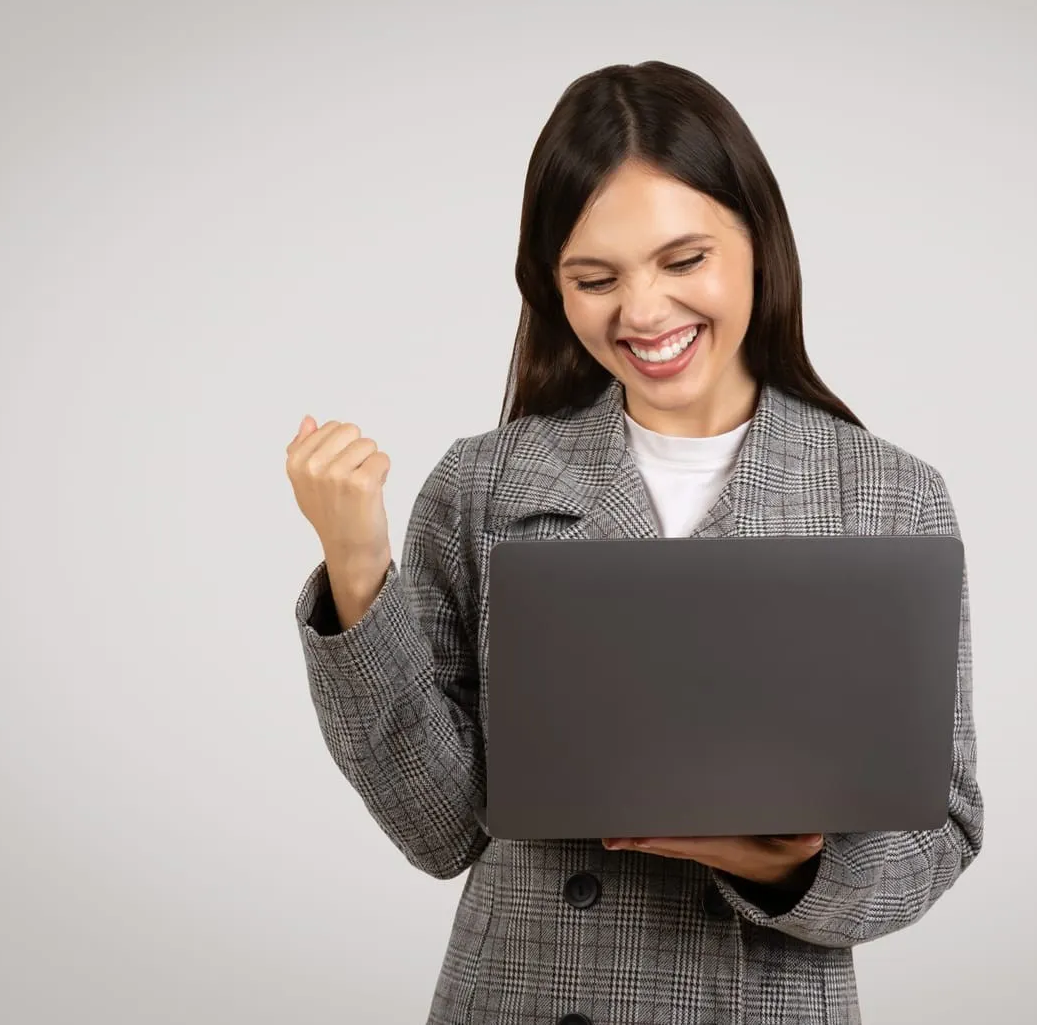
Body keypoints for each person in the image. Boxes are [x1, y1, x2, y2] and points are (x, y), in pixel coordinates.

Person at [284, 60, 983, 1025]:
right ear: (552, 288)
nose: (644, 313)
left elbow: (939, 828)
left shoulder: (888, 494)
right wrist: (358, 570)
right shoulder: (483, 486)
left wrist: (794, 867)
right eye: (595, 278)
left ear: (758, 244)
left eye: (684, 260)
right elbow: (438, 828)